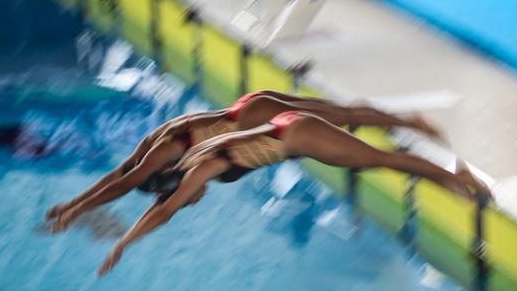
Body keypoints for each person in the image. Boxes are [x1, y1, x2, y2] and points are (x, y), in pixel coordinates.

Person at [93, 111, 491, 275]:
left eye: (182, 197)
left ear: (175, 188)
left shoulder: (199, 169)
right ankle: (452, 176)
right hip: (287, 131)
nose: (192, 201)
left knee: (380, 159)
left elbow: (165, 211)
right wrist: (124, 241)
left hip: (294, 135)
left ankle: (460, 178)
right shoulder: (194, 166)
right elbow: (165, 209)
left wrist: (124, 244)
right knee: (376, 159)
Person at [46, 90, 450, 229]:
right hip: (247, 111)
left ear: (163, 174)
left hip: (254, 118)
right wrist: (72, 204)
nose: (192, 197)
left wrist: (78, 209)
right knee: (336, 113)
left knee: (337, 116)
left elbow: (124, 182)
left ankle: (406, 124)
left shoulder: (168, 152)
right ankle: (405, 120)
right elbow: (120, 173)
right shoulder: (153, 148)